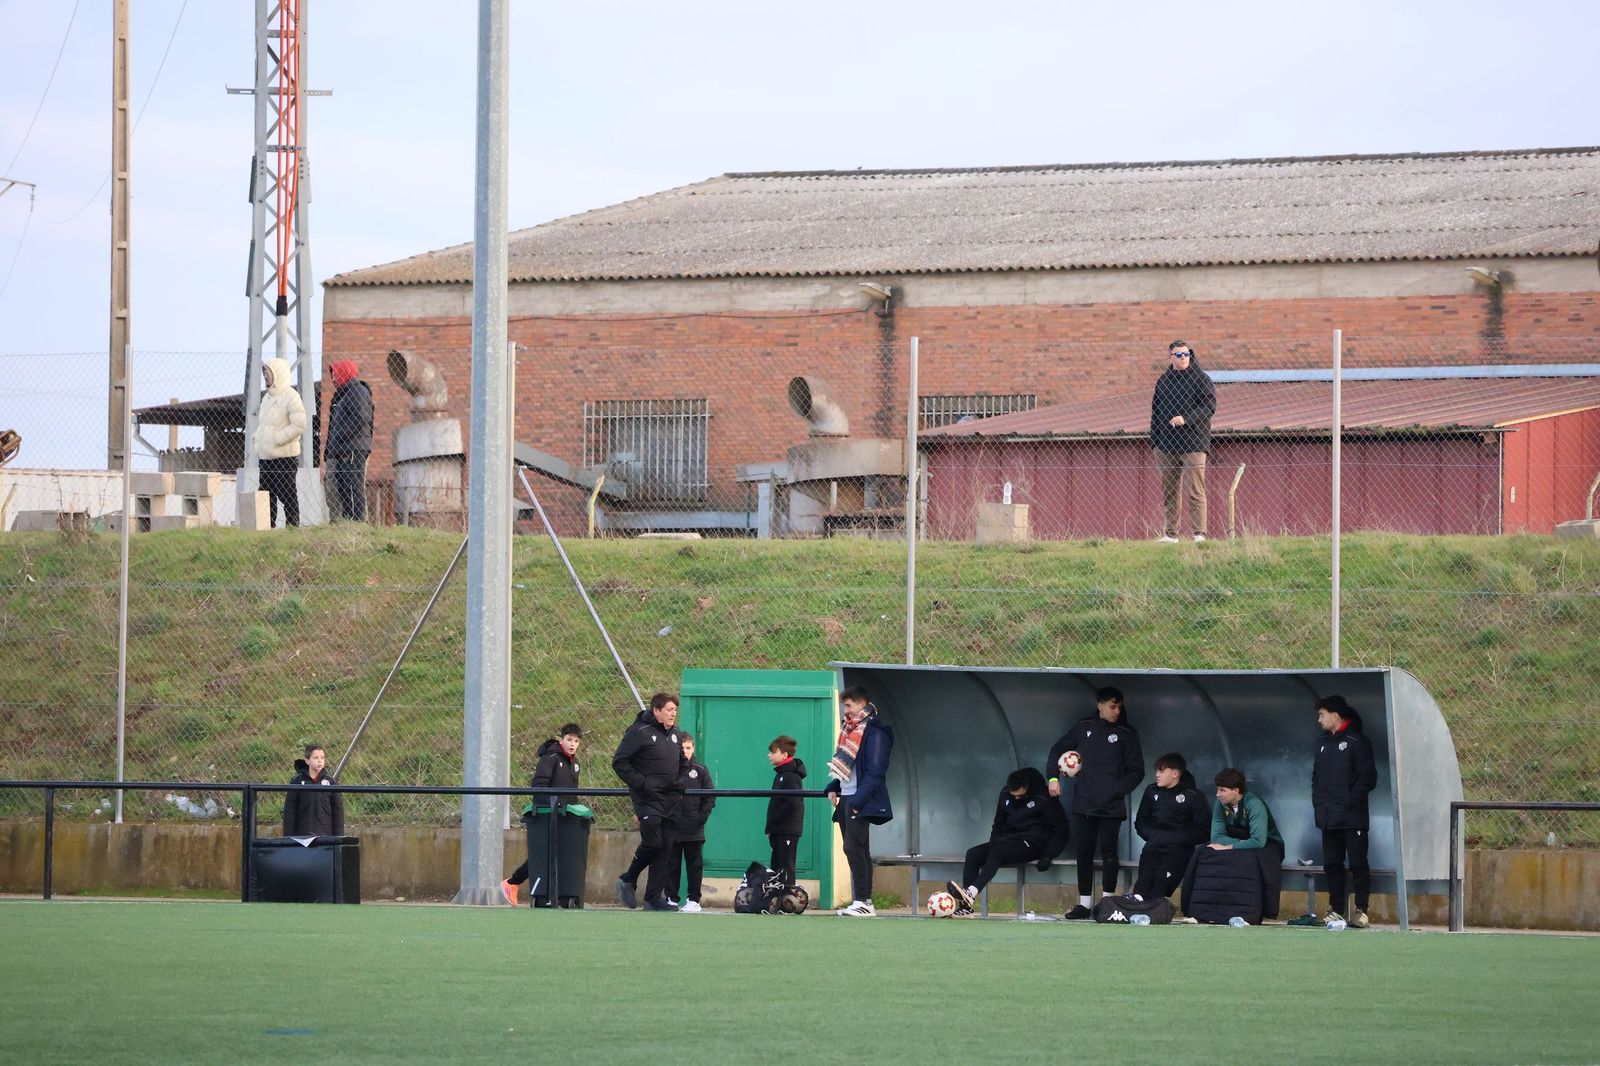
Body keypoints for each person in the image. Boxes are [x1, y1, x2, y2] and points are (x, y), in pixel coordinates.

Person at [1047, 686, 1144, 919]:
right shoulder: (1083, 727)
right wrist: (1053, 778)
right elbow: (1056, 750)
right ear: (1099, 705)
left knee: (1109, 852)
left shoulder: (1126, 733)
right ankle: (1084, 904)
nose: (1116, 711)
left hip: (1111, 806)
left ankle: (1108, 903)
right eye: (1112, 706)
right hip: (1084, 803)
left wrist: (1117, 790)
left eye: (1119, 706)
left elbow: (1137, 771)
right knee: (1084, 852)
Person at [948, 768, 1067, 916]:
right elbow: (998, 823)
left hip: (1032, 843)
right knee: (973, 854)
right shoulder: (1005, 795)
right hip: (1008, 840)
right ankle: (966, 907)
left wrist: (1048, 855)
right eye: (1013, 796)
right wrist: (993, 842)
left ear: (1027, 788)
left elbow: (1061, 829)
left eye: (1021, 796)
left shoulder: (1044, 797)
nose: (1016, 799)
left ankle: (971, 893)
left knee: (999, 851)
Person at [612, 692, 686, 911]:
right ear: (656, 710)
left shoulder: (676, 735)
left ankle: (653, 898)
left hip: (670, 800)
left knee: (665, 848)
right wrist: (644, 783)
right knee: (653, 842)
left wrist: (680, 782)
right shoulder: (638, 732)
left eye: (675, 710)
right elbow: (620, 762)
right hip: (647, 799)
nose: (673, 714)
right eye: (669, 710)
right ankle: (628, 878)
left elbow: (684, 763)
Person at [825, 686, 894, 917]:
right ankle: (862, 900)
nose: (846, 711)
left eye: (849, 706)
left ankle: (864, 900)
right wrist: (834, 786)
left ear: (862, 705)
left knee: (855, 848)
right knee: (854, 849)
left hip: (859, 798)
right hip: (846, 795)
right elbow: (844, 766)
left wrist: (858, 800)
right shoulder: (848, 730)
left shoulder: (875, 731)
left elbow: (876, 770)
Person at [1313, 694, 1378, 928]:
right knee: (1332, 864)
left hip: (1352, 817)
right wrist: (1319, 804)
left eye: (1321, 715)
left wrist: (1349, 802)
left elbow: (1368, 778)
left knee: (1358, 863)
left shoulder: (1357, 742)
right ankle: (1337, 909)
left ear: (1335, 715)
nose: (1319, 720)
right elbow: (1316, 778)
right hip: (1328, 817)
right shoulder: (1321, 743)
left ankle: (1361, 910)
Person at [501, 723, 582, 907]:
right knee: (544, 854)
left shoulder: (575, 764)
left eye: (576, 741)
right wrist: (553, 803)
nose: (572, 744)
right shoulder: (550, 758)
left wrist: (571, 808)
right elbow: (539, 785)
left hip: (564, 815)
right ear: (561, 739)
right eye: (569, 740)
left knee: (558, 853)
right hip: (546, 814)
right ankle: (512, 883)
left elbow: (572, 792)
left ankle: (554, 894)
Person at [1149, 339, 1216, 543]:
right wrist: (1155, 443)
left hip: (1194, 443)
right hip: (1166, 446)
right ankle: (1171, 534)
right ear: (1171, 357)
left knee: (1196, 490)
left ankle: (1199, 534)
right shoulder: (1163, 381)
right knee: (1170, 492)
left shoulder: (1200, 379)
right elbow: (1156, 412)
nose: (1184, 358)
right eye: (1179, 355)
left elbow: (1209, 407)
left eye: (1187, 354)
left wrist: (1186, 419)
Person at [1131, 752, 1210, 901]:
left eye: (1161, 771)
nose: (1157, 775)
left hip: (1178, 852)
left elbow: (1204, 831)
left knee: (1158, 891)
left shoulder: (1194, 796)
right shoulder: (1151, 791)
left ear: (1174, 773)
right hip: (1152, 848)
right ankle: (1133, 910)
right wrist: (1152, 836)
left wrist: (1176, 839)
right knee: (1141, 888)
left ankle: (1154, 913)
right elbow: (1140, 821)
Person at [254, 356, 308, 528]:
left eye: (267, 372)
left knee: (287, 494)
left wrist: (279, 439)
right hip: (266, 457)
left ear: (278, 374)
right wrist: (258, 439)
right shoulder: (266, 398)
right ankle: (266, 527)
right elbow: (264, 425)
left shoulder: (291, 396)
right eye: (264, 372)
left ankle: (293, 527)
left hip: (284, 457)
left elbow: (299, 424)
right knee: (266, 495)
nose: (265, 375)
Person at [667, 733, 715, 913]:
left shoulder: (700, 769)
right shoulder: (670, 768)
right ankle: (671, 898)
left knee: (694, 865)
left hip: (694, 828)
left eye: (688, 748)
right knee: (672, 864)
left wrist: (700, 818)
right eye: (682, 748)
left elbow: (710, 797)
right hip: (673, 826)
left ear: (693, 748)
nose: (685, 751)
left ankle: (694, 900)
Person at [324, 359, 373, 522]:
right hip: (343, 448)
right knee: (344, 487)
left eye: (335, 374)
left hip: (352, 447)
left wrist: (340, 437)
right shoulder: (342, 395)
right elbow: (334, 426)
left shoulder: (357, 391)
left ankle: (357, 522)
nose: (333, 379)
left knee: (353, 487)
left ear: (344, 372)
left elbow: (361, 418)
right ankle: (347, 521)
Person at [765, 735, 806, 890]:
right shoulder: (781, 775)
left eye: (772, 752)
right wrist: (771, 827)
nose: (769, 755)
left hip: (787, 830)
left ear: (784, 755)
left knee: (786, 865)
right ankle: (777, 897)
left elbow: (792, 804)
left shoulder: (790, 776)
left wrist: (776, 824)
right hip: (778, 829)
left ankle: (787, 896)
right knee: (777, 866)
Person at [282, 744, 344, 837]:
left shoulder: (330, 781)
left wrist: (339, 837)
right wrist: (288, 837)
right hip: (302, 835)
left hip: (326, 834)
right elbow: (290, 810)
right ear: (307, 761)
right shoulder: (297, 780)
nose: (320, 761)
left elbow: (337, 810)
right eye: (315, 758)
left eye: (322, 758)